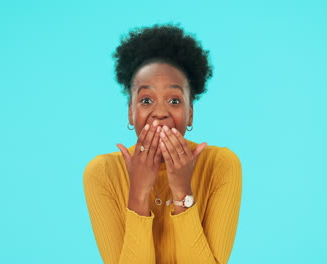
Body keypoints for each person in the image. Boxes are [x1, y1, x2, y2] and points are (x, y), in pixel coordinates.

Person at [83, 24, 242, 264]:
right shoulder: (102, 173)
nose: (159, 113)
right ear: (130, 113)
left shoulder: (221, 165)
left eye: (174, 100)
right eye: (146, 100)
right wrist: (138, 193)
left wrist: (182, 192)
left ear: (190, 114)